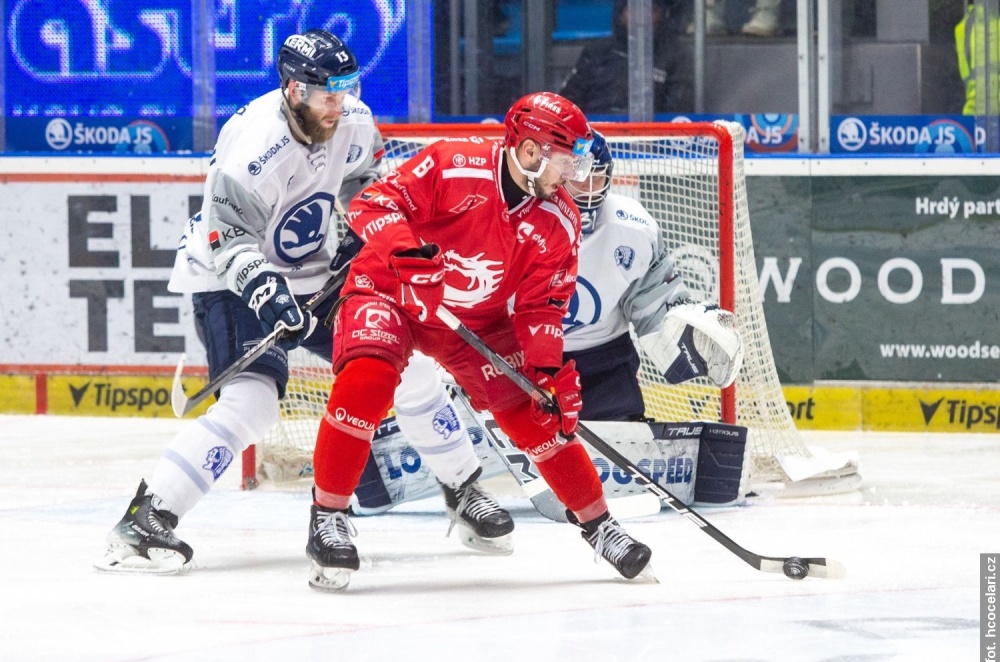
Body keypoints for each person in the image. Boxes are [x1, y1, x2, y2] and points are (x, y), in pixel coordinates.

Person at [96, 29, 512, 575]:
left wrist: (365, 234)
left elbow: (366, 186)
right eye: (327, 94)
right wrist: (266, 292)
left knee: (406, 367)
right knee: (253, 405)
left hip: (316, 271)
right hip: (230, 278)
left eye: (345, 90)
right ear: (293, 89)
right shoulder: (254, 147)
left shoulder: (353, 120)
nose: (339, 104)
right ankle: (145, 519)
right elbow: (227, 235)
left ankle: (463, 491)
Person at [305, 92, 654, 591]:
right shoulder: (454, 164)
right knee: (369, 378)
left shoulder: (559, 220)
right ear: (531, 151)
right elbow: (371, 203)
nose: (573, 173)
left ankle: (601, 527)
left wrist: (547, 372)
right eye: (565, 160)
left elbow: (541, 306)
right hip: (391, 289)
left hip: (476, 320)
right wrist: (406, 254)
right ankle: (328, 516)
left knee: (534, 413)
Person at [562, 129, 743, 422]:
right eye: (578, 176)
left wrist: (686, 330)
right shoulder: (513, 221)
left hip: (605, 360)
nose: (589, 187)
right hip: (522, 362)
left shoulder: (632, 227)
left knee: (621, 452)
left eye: (596, 176)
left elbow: (654, 302)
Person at [559, 0, 692, 115]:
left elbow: (679, 110)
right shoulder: (596, 52)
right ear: (620, 13)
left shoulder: (674, 56)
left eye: (650, 10)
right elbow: (567, 104)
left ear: (661, 14)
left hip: (654, 139)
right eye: (632, 9)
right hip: (596, 136)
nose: (641, 17)